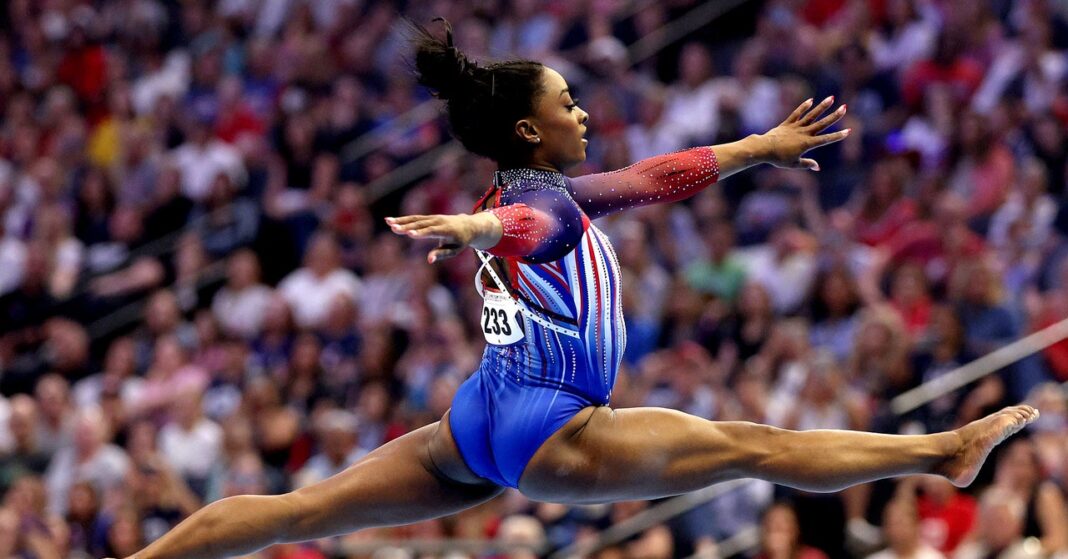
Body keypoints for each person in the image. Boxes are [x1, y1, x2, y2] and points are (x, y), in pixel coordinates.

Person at [116, 19, 1039, 559]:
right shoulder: (535, 207)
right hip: (551, 425)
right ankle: (944, 449)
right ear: (528, 129)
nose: (584, 111)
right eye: (567, 103)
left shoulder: (547, 191)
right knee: (752, 444)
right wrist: (477, 229)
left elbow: (656, 177)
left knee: (302, 511)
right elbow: (521, 230)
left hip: (479, 416)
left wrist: (758, 147)